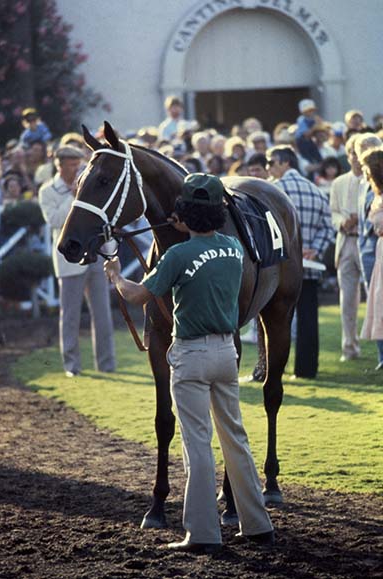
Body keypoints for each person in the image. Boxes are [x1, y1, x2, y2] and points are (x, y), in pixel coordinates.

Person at [104, 173, 274, 553]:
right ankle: (258, 524)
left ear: (183, 214)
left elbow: (138, 296)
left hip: (192, 356)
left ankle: (201, 533)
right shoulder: (233, 246)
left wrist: (115, 276)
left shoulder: (177, 254)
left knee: (198, 444)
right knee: (236, 438)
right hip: (226, 355)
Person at [39, 145, 116, 377]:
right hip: (69, 258)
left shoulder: (87, 183)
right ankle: (72, 366)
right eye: (72, 164)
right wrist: (73, 197)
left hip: (95, 253)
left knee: (103, 314)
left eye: (78, 163)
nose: (77, 168)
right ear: (60, 166)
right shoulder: (47, 190)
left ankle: (107, 365)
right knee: (70, 315)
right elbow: (54, 221)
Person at [267, 145, 335, 379]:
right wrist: (313, 249)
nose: (268, 168)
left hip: (281, 269)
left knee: (276, 319)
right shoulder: (316, 191)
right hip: (309, 265)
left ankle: (273, 369)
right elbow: (328, 228)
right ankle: (306, 370)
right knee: (308, 319)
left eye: (271, 163)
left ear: (286, 163)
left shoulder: (272, 190)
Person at [329, 135, 362, 362]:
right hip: (346, 242)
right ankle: (349, 347)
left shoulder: (376, 180)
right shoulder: (338, 182)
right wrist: (343, 221)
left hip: (369, 241)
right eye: (353, 153)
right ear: (348, 155)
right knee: (347, 299)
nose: (357, 158)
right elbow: (333, 213)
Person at [354, 133, 383, 370]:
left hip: (379, 246)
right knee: (375, 299)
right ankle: (382, 356)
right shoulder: (368, 189)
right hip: (370, 248)